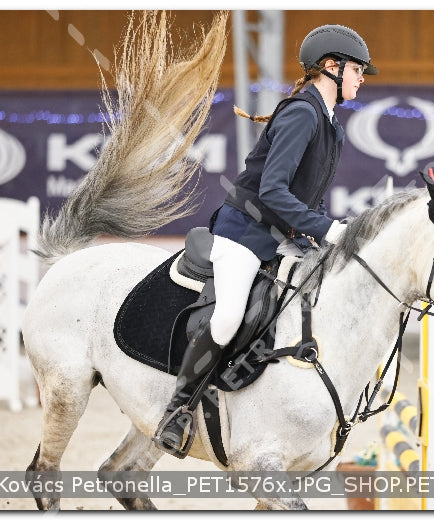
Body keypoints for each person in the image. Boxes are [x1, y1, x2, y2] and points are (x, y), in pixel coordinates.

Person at [155, 23, 378, 454]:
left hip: (281, 236)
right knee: (228, 316)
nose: (361, 78)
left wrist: (322, 233)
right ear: (331, 67)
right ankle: (179, 410)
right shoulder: (302, 113)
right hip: (244, 232)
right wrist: (326, 229)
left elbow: (305, 197)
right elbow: (274, 190)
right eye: (357, 69)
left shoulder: (332, 125)